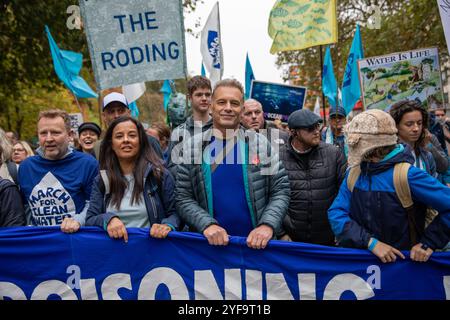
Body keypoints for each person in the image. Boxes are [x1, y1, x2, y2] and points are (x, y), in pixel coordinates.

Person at [175, 79, 290, 249]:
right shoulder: (192, 147)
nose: (228, 107)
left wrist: (267, 225)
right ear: (212, 106)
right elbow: (183, 197)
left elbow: (281, 189)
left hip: (257, 249)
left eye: (234, 103)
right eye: (221, 102)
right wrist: (206, 224)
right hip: (209, 249)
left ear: (242, 109)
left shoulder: (260, 144)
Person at [328, 109, 450, 263]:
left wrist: (428, 243)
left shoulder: (407, 175)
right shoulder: (354, 173)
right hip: (362, 266)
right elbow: (336, 213)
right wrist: (370, 242)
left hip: (403, 266)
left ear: (376, 149)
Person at [85, 117, 179, 241]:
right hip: (115, 254)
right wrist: (108, 219)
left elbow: (176, 213)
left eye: (132, 135)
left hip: (154, 253)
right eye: (119, 136)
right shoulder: (102, 180)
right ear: (111, 144)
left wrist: (167, 225)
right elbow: (91, 218)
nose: (126, 140)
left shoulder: (159, 175)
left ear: (140, 141)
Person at [18, 109, 99, 233]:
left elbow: (94, 205)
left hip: (74, 242)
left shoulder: (88, 164)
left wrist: (77, 220)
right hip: (39, 244)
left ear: (70, 135)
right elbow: (25, 207)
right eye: (43, 133)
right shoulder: (26, 167)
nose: (49, 138)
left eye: (55, 133)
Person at [279, 109, 346, 245]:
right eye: (310, 128)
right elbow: (269, 197)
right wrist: (281, 233)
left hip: (329, 239)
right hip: (291, 241)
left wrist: (340, 230)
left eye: (318, 126)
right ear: (293, 132)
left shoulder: (334, 154)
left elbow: (345, 195)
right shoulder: (277, 157)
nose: (316, 131)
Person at [93, 92, 163, 160]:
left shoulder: (149, 142)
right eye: (111, 111)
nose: (116, 115)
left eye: (121, 111)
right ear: (104, 116)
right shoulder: (99, 148)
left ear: (129, 113)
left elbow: (161, 169)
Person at [168, 76, 213, 177]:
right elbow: (171, 169)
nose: (204, 98)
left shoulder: (221, 128)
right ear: (189, 98)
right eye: (199, 95)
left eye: (207, 94)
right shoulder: (179, 133)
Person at [389, 100, 448, 177]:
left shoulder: (428, 147)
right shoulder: (389, 152)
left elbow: (443, 167)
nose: (416, 128)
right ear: (396, 125)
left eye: (419, 123)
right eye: (409, 124)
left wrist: (428, 145)